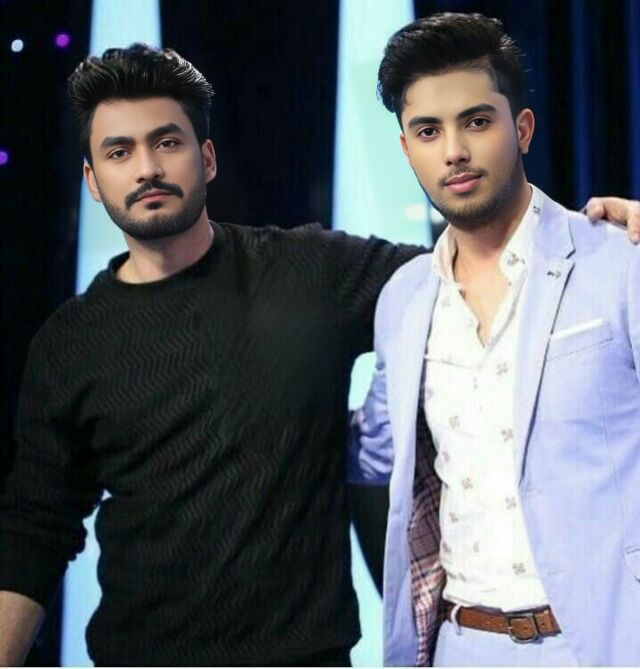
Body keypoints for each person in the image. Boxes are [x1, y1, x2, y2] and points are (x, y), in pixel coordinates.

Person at [0, 43, 636, 667]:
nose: (146, 169)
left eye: (167, 142)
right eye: (119, 152)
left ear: (207, 158)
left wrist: (604, 232)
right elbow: (34, 529)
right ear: (92, 179)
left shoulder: (311, 273)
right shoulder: (70, 342)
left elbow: (481, 263)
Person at [351, 12, 640, 667]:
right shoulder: (404, 298)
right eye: (429, 131)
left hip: (606, 642)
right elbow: (374, 457)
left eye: (477, 121)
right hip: (462, 643)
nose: (453, 150)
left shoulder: (617, 260)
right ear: (407, 149)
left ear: (523, 128)